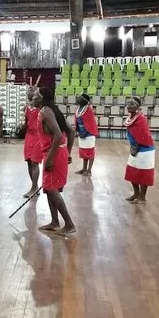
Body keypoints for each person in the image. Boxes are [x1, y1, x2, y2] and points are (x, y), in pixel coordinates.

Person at [33, 87, 75, 235]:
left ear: (42, 98)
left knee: (51, 189)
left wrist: (50, 158)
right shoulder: (52, 110)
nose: (33, 96)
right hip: (57, 152)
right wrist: (68, 152)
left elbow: (58, 135)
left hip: (54, 154)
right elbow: (71, 131)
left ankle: (69, 224)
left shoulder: (46, 112)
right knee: (49, 189)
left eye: (36, 94)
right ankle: (55, 222)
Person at [124, 97, 155, 204]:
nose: (129, 105)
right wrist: (132, 147)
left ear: (137, 106)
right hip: (135, 148)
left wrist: (136, 148)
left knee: (143, 174)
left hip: (144, 149)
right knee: (132, 172)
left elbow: (142, 135)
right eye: (128, 103)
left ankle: (142, 197)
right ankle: (136, 194)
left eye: (132, 104)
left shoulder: (140, 118)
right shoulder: (131, 117)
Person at [22, 87, 42, 197]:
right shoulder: (26, 108)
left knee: (35, 162)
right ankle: (34, 186)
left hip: (38, 136)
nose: (30, 93)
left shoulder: (41, 108)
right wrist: (21, 127)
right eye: (29, 92)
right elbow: (26, 123)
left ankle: (34, 188)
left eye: (32, 92)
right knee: (29, 162)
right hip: (28, 136)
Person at [74, 93, 98, 176]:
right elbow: (77, 122)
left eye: (79, 98)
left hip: (89, 134)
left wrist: (85, 133)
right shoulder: (78, 109)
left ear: (83, 100)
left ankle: (89, 170)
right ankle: (84, 169)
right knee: (84, 152)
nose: (77, 98)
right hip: (81, 133)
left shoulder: (88, 109)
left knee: (90, 152)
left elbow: (90, 123)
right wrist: (78, 131)